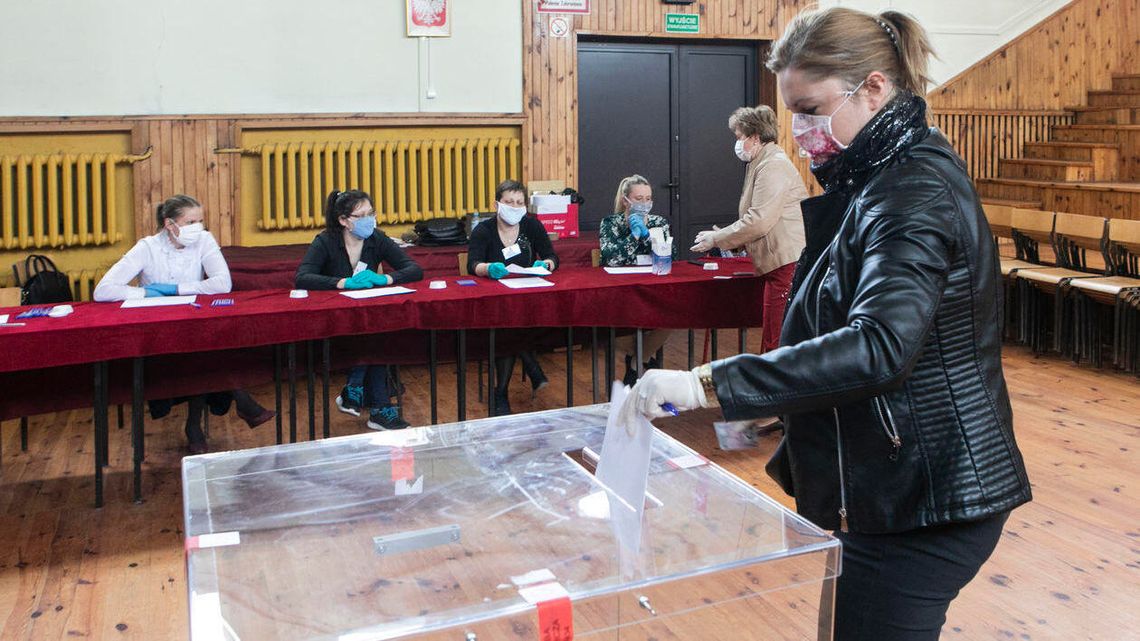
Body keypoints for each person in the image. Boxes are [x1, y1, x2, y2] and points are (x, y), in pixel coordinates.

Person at [622, 8, 1032, 641]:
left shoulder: (913, 187)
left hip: (924, 494)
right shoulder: (875, 175)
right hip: (894, 482)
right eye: (793, 111)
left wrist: (708, 383)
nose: (799, 128)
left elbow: (878, 346)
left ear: (872, 88)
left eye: (811, 108)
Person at [94, 194, 275, 454]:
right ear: (170, 224)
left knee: (204, 349)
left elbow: (222, 284)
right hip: (158, 330)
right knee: (203, 353)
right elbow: (103, 290)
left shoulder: (204, 240)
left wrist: (175, 289)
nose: (198, 227)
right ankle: (240, 401)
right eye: (191, 221)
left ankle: (196, 426)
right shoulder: (147, 247)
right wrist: (146, 293)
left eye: (200, 220)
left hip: (193, 322)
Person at [295, 189, 423, 431]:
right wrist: (341, 283)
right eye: (361, 215)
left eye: (371, 213)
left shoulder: (377, 238)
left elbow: (414, 269)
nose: (369, 220)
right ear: (344, 220)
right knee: (376, 338)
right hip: (336, 319)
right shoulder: (326, 241)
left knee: (376, 335)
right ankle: (376, 407)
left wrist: (385, 280)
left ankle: (360, 393)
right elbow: (302, 277)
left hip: (367, 317)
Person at [690, 105, 807, 355]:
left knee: (776, 342)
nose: (738, 143)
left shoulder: (773, 165)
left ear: (754, 137)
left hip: (786, 263)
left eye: (739, 137)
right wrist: (728, 237)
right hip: (778, 263)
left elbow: (759, 220)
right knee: (773, 338)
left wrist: (717, 238)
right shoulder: (760, 161)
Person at [467, 179, 558, 416]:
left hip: (528, 298)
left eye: (519, 203)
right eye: (509, 202)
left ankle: (501, 392)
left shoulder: (532, 227)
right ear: (497, 204)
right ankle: (513, 382)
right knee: (506, 327)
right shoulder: (483, 230)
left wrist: (545, 264)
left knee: (512, 327)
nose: (515, 207)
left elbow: (552, 256)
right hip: (494, 301)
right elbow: (472, 264)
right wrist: (487, 268)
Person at [598, 175, 674, 385]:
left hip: (653, 289)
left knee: (673, 316)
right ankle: (644, 362)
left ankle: (636, 364)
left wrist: (650, 236)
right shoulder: (610, 223)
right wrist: (634, 236)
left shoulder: (659, 222)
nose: (644, 203)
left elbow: (671, 255)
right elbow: (611, 259)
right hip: (621, 293)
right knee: (617, 324)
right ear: (626, 200)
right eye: (639, 198)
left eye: (648, 198)